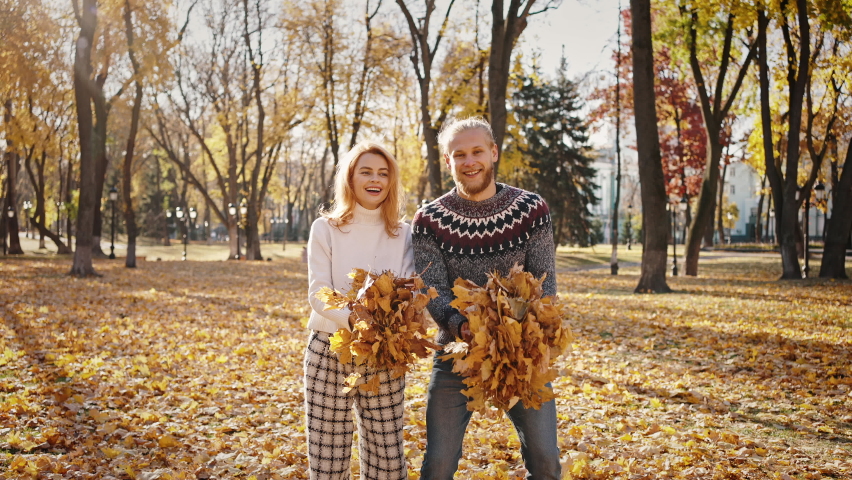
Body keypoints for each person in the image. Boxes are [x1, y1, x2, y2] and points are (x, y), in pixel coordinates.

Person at [412, 117, 561, 479]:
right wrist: (465, 328)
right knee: (439, 465)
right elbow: (434, 291)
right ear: (448, 161)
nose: (470, 161)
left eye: (477, 151)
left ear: (493, 153)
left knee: (545, 460)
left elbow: (545, 287)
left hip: (520, 354)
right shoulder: (429, 220)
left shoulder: (530, 210)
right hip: (456, 353)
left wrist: (516, 337)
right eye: (459, 154)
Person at [304, 141, 414, 480]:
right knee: (328, 463)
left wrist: (384, 324)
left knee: (389, 461)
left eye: (383, 173)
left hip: (385, 353)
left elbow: (408, 291)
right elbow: (319, 292)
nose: (375, 179)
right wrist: (355, 318)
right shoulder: (326, 229)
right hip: (330, 349)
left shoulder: (403, 234)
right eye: (365, 171)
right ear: (350, 178)